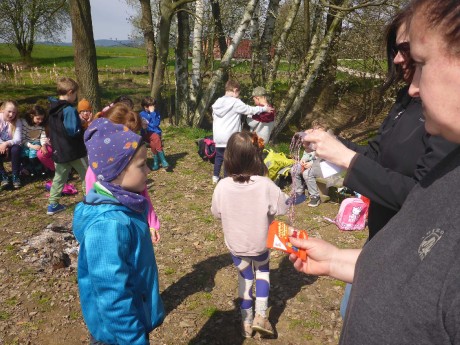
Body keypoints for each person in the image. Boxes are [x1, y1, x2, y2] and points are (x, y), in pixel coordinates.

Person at [290, 1, 460, 343]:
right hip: (378, 244)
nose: (402, 65)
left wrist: (345, 159)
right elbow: (416, 261)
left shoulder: (445, 139)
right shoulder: (406, 103)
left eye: (417, 58)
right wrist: (340, 259)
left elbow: (412, 195)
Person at [73, 118, 164, 344]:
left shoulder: (126, 205)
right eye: (142, 165)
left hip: (132, 319)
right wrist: (133, 339)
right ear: (117, 170)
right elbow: (112, 296)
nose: (149, 169)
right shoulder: (108, 226)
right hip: (119, 334)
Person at [211, 131, 289, 338]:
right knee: (262, 272)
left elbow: (216, 212)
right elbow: (281, 208)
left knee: (245, 277)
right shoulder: (266, 185)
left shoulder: (222, 186)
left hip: (236, 245)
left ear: (228, 158)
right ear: (257, 157)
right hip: (260, 244)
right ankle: (261, 316)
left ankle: (246, 322)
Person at [85, 103, 161, 243]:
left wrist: (152, 223)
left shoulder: (134, 171)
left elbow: (144, 196)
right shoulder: (95, 171)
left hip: (137, 226)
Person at [212, 80, 272, 184]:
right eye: (238, 93)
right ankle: (227, 179)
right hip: (231, 137)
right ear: (235, 90)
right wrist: (263, 109)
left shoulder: (217, 102)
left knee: (219, 156)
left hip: (218, 136)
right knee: (229, 158)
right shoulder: (236, 102)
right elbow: (249, 110)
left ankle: (215, 176)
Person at [46, 77, 88, 215]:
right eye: (75, 94)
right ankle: (90, 199)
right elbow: (73, 131)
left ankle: (53, 204)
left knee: (59, 178)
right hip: (74, 151)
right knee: (87, 174)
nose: (76, 97)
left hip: (59, 151)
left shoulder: (52, 109)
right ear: (70, 92)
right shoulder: (69, 109)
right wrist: (80, 124)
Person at [139, 96, 169, 170]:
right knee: (155, 138)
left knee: (154, 144)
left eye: (153, 106)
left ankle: (156, 163)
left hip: (155, 133)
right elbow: (144, 126)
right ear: (144, 106)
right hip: (147, 134)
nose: (151, 108)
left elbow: (156, 124)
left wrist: (153, 113)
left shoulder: (156, 113)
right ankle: (163, 160)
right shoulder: (142, 114)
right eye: (149, 106)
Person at [20, 104, 48, 177]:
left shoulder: (42, 125)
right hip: (26, 142)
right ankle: (29, 169)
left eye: (42, 119)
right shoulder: (25, 124)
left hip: (37, 142)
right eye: (38, 118)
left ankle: (39, 168)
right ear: (32, 116)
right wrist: (31, 145)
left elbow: (42, 136)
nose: (40, 121)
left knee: (32, 155)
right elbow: (22, 139)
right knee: (24, 153)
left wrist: (43, 145)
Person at [0, 100, 22, 189]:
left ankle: (15, 176)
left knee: (16, 148)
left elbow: (18, 139)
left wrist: (6, 144)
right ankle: (3, 175)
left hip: (11, 146)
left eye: (14, 112)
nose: (11, 115)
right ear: (2, 110)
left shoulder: (17, 121)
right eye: (9, 111)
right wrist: (2, 145)